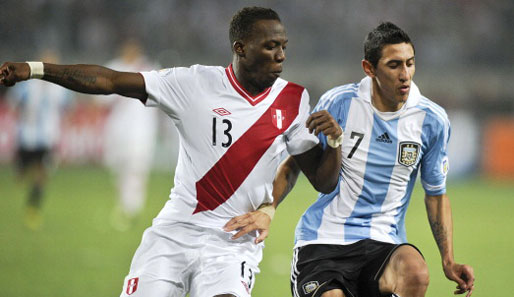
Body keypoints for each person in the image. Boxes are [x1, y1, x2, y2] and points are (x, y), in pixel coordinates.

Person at [0, 7, 342, 297]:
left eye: (283, 46)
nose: (281, 56)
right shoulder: (192, 84)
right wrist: (36, 69)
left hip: (233, 242)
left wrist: (331, 149)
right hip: (175, 232)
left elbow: (318, 178)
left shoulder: (294, 100)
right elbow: (111, 81)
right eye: (270, 47)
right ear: (241, 48)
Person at [227, 22, 475, 297]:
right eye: (394, 65)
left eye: (410, 63)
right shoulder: (339, 104)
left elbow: (436, 195)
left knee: (415, 271)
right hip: (323, 240)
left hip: (385, 244)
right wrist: (268, 209)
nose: (405, 75)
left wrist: (448, 259)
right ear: (369, 68)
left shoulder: (432, 120)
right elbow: (295, 163)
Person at [6, 49, 72, 230]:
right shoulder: (26, 86)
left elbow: (67, 111)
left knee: (42, 175)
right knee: (20, 176)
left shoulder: (60, 89)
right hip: (26, 137)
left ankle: (32, 209)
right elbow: (13, 106)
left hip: (48, 138)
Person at [100, 39, 160, 231]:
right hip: (118, 129)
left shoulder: (149, 69)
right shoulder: (114, 68)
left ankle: (131, 208)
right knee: (118, 168)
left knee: (136, 170)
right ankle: (124, 202)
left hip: (142, 132)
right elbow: (100, 101)